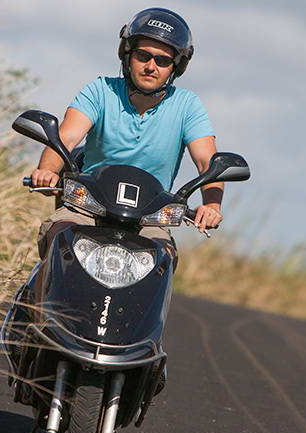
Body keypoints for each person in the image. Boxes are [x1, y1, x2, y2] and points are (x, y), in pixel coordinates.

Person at [31, 7, 224, 264]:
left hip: (150, 218)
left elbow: (207, 162)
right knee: (60, 235)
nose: (151, 66)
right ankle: (39, 303)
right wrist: (48, 172)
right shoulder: (100, 90)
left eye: (163, 60)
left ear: (176, 67)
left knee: (163, 257)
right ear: (127, 55)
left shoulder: (188, 105)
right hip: (87, 208)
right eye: (143, 55)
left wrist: (212, 206)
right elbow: (65, 139)